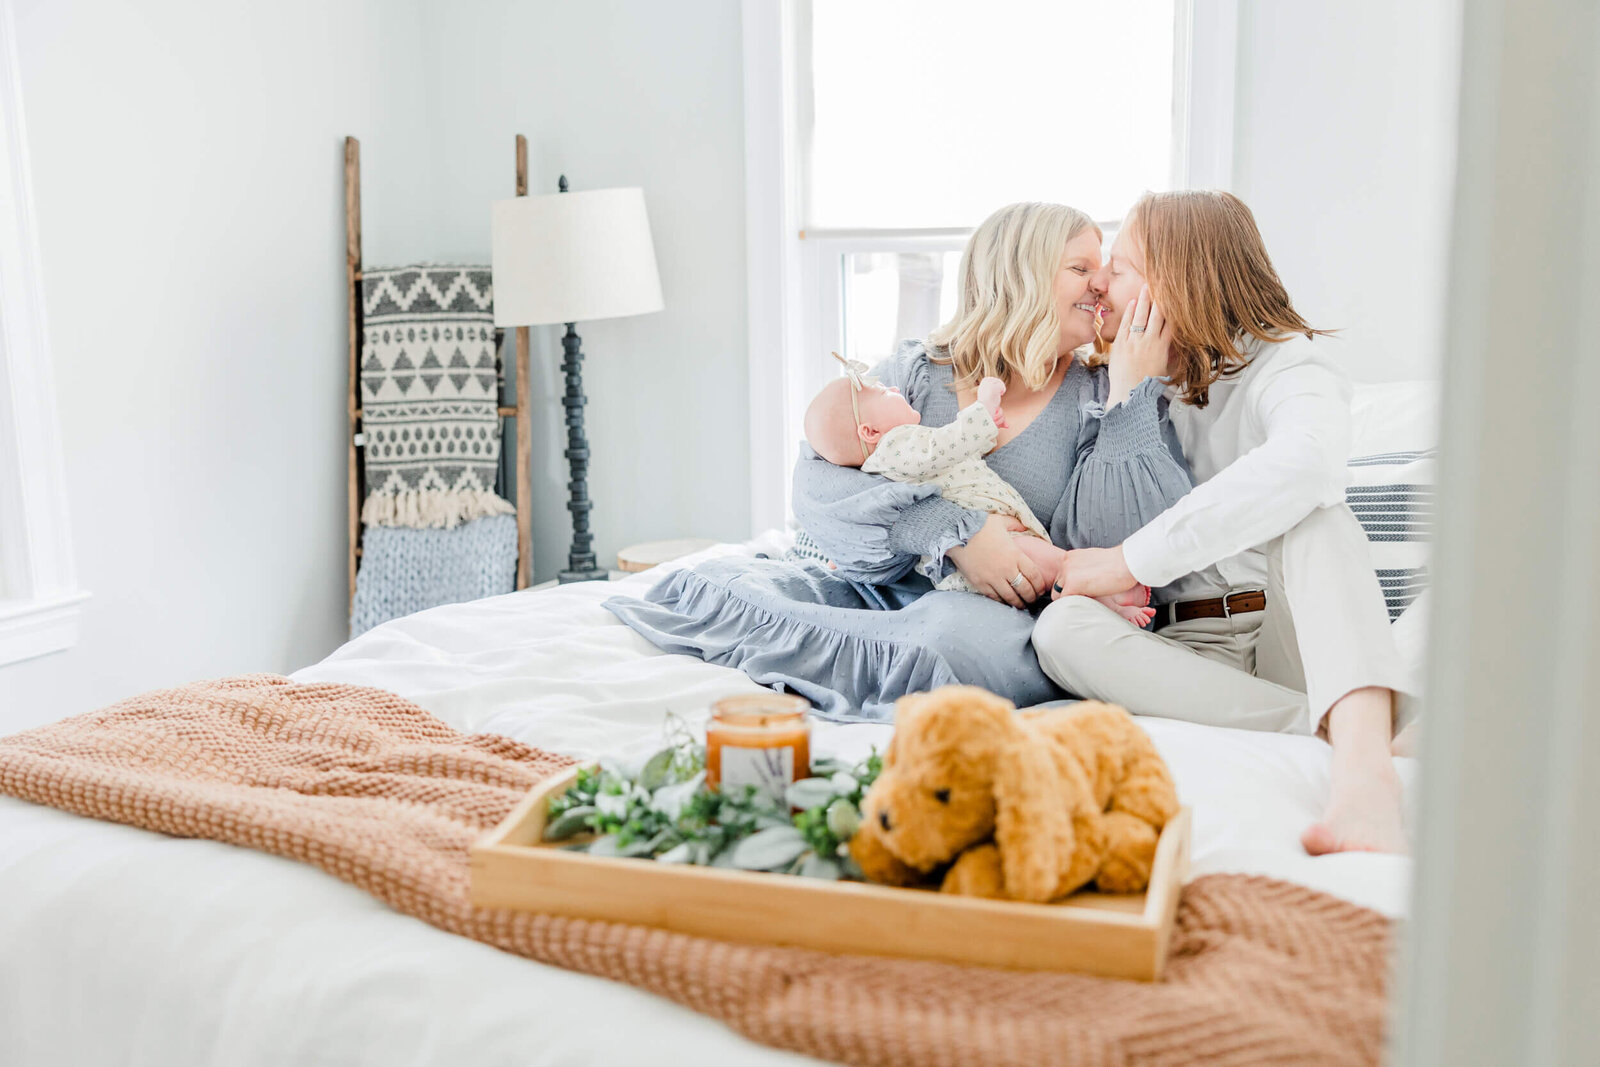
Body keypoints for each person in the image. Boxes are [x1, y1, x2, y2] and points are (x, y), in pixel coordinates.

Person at [604, 202, 1192, 719]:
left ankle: (872, 669)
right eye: (1081, 268)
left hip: (1001, 622)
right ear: (1023, 277)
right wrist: (955, 532)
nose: (1101, 287)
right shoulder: (917, 372)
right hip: (885, 594)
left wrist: (1128, 396)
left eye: (1106, 270)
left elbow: (1120, 546)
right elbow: (817, 488)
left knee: (946, 641)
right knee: (721, 579)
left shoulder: (1103, 395)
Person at [1032, 190, 1420, 855]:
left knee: (1318, 520)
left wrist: (1130, 560)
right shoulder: (1118, 382)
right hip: (1183, 650)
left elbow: (1308, 464)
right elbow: (1081, 537)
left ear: (1175, 278)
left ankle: (1365, 777)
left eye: (1120, 267)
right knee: (1060, 629)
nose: (1101, 285)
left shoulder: (1289, 362)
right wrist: (1127, 393)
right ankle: (1335, 726)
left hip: (1274, 630)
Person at [803, 354, 1153, 624]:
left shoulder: (894, 455)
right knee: (1063, 564)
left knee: (1057, 576)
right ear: (869, 432)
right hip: (1001, 547)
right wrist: (984, 410)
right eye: (883, 392)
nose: (894, 388)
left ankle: (1105, 603)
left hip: (994, 548)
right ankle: (1112, 598)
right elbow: (948, 444)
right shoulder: (897, 446)